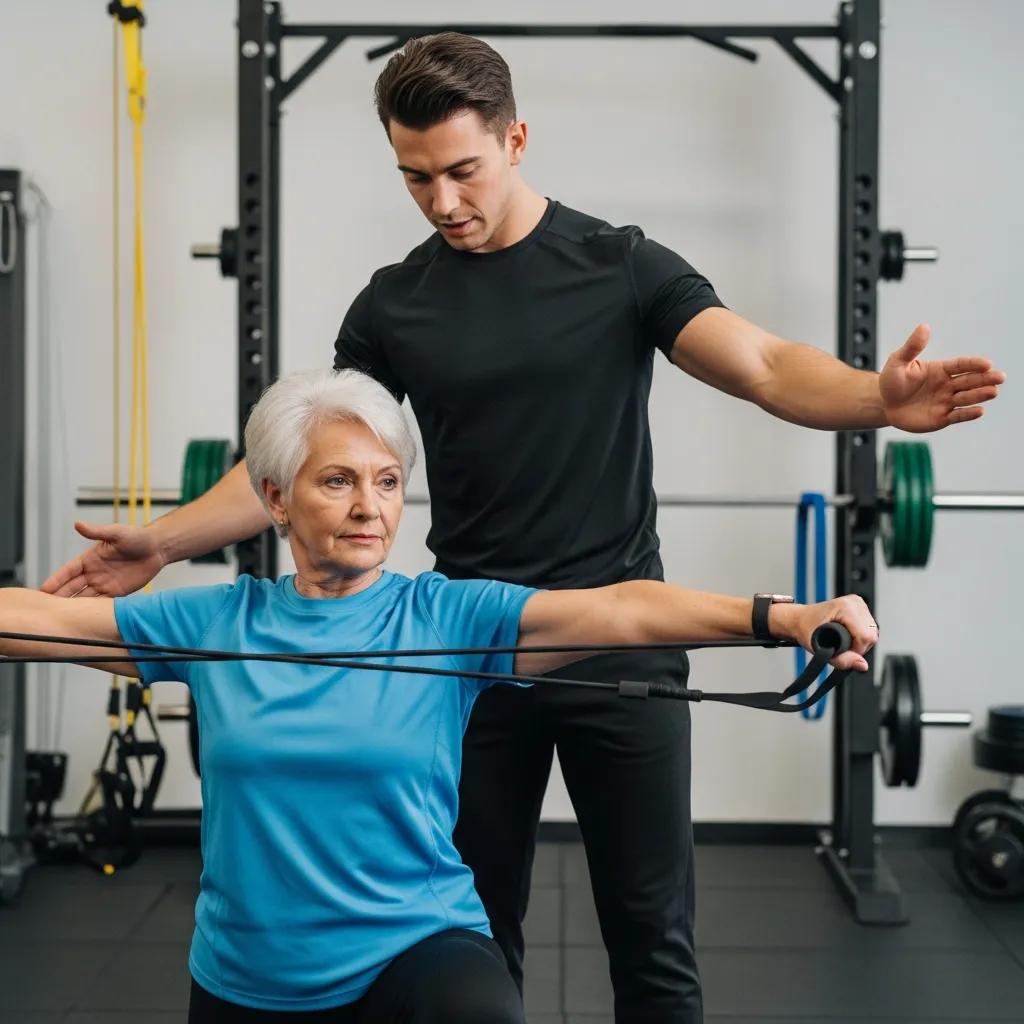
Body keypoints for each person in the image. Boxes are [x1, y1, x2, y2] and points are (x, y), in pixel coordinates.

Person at [43, 33, 1004, 1024]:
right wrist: (163, 540)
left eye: (462, 170)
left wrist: (874, 400)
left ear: (516, 140)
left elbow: (760, 363)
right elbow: (302, 460)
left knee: (655, 947)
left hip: (619, 641)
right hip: (467, 655)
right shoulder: (395, 303)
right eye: (416, 178)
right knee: (470, 937)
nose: (443, 201)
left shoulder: (617, 264)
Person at [12, 369, 875, 1021]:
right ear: (275, 497)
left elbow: (623, 606)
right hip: (248, 970)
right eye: (337, 480)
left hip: (416, 948)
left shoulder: (449, 613)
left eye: (387, 482)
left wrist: (785, 617)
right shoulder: (218, 622)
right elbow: (34, 622)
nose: (369, 507)